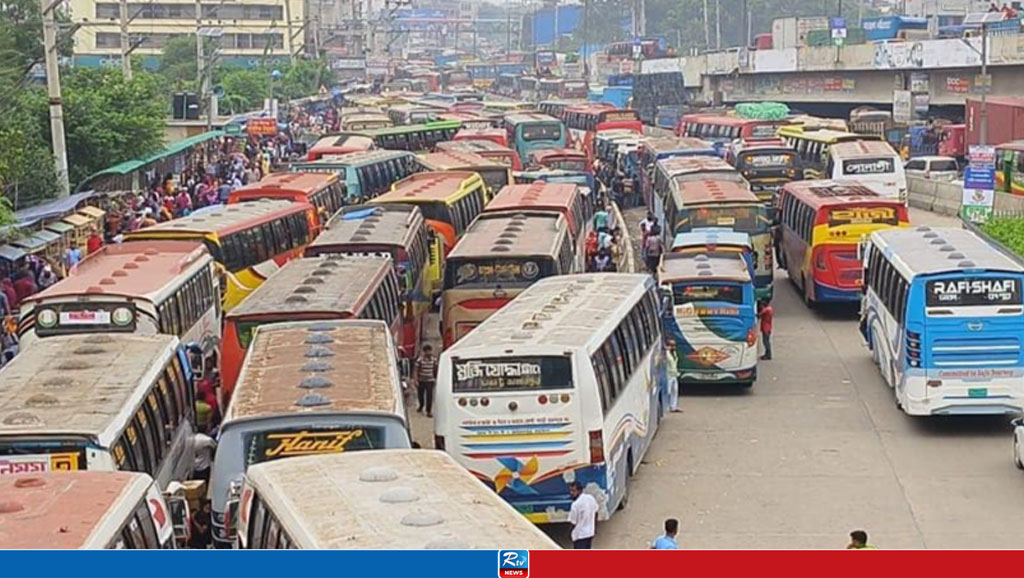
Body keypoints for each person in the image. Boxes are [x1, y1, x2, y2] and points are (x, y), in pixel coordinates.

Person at [567, 481, 598, 549]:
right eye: (570, 491)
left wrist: (569, 533)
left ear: (580, 491)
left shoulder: (575, 505)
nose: (571, 493)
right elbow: (596, 512)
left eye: (573, 491)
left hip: (580, 536)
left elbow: (573, 523)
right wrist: (595, 527)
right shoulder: (590, 498)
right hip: (589, 533)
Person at [415, 344, 438, 417]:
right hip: (421, 380)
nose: (429, 353)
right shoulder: (420, 360)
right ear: (424, 352)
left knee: (429, 396)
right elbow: (416, 370)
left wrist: (435, 378)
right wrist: (416, 380)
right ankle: (421, 405)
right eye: (427, 351)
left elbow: (435, 369)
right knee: (420, 395)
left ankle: (428, 411)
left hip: (430, 381)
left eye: (429, 351)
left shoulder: (434, 360)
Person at [666, 340, 680, 412]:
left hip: (674, 374)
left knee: (675, 390)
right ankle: (667, 406)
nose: (673, 347)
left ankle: (673, 406)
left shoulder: (674, 353)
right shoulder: (666, 354)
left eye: (674, 345)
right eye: (672, 345)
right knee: (668, 391)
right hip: (668, 375)